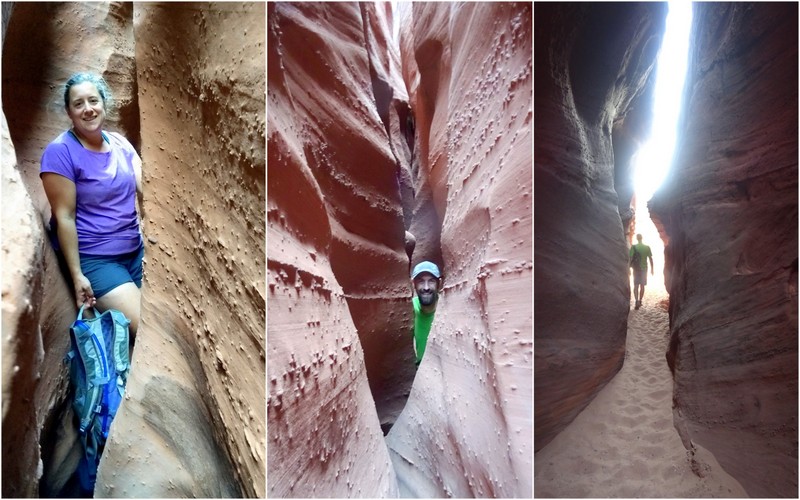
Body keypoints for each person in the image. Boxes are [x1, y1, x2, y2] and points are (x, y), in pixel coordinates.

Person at [40, 72, 144, 340]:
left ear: (104, 104)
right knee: (148, 327)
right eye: (78, 104)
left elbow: (148, 190)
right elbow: (64, 216)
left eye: (93, 101)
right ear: (69, 112)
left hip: (135, 251)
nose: (88, 109)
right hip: (96, 259)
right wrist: (77, 276)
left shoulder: (120, 144)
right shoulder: (60, 151)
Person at [411, 260, 441, 366]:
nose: (426, 287)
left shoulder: (447, 308)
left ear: (439, 283)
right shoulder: (409, 308)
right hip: (420, 372)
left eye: (431, 281)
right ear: (413, 284)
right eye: (421, 281)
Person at [629, 233, 654, 310]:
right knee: (642, 285)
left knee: (636, 285)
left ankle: (636, 300)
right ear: (642, 238)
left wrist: (628, 268)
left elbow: (630, 258)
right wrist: (652, 269)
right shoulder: (647, 247)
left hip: (636, 269)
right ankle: (640, 300)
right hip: (644, 269)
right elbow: (650, 259)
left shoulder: (633, 247)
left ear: (637, 238)